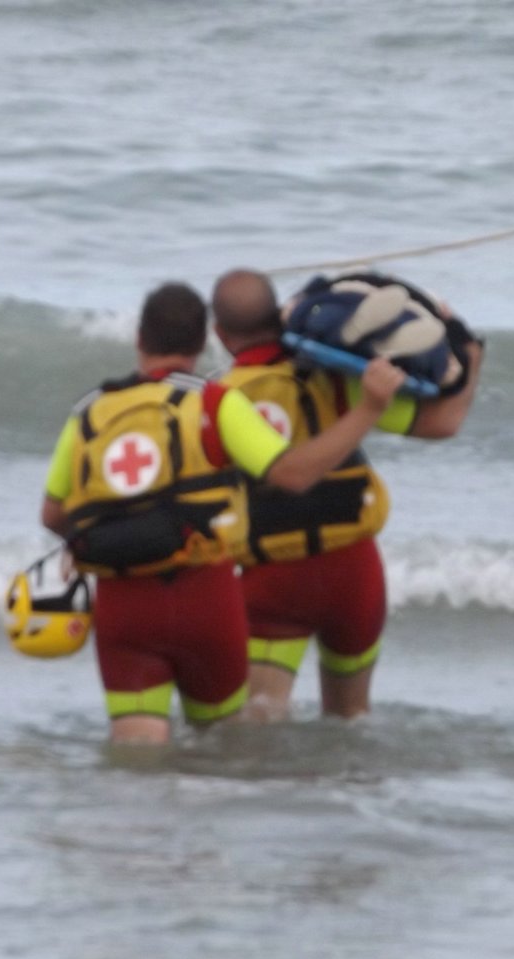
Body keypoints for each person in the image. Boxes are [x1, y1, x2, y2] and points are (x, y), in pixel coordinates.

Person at [40, 281, 407, 745]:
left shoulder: (88, 415)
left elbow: (53, 515)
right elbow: (292, 474)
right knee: (224, 754)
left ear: (139, 339)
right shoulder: (215, 401)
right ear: (202, 342)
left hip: (123, 607)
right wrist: (369, 408)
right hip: (206, 601)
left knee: (135, 762)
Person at [210, 268, 485, 720]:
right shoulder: (341, 379)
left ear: (220, 335)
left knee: (259, 720)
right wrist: (470, 353)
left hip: (275, 580)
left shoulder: (219, 398)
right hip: (355, 576)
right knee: (351, 720)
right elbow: (444, 423)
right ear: (279, 314)